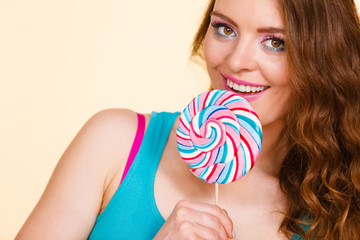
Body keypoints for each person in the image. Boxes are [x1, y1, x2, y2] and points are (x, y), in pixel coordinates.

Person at [15, 0, 360, 239]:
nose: (237, 60)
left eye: (274, 42)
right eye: (224, 29)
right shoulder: (115, 143)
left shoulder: (343, 199)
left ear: (323, 57)